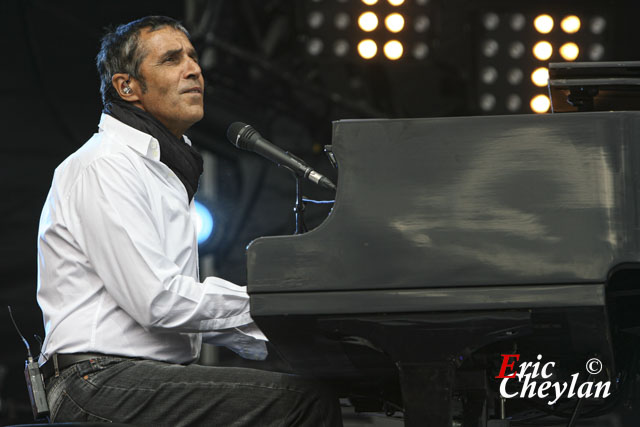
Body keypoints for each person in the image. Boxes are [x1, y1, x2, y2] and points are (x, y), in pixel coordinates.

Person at [36, 16, 342, 426]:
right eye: (171, 59)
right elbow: (158, 301)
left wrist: (292, 327)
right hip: (95, 381)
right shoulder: (105, 166)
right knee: (303, 402)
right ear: (127, 87)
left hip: (133, 377)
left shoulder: (163, 168)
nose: (194, 69)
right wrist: (275, 306)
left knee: (301, 388)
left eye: (193, 57)